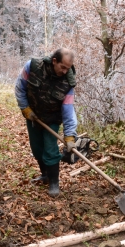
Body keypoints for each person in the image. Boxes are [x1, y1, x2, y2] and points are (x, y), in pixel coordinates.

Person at [14, 48, 78, 197]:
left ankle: (54, 182)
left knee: (50, 149)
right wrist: (25, 108)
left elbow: (68, 110)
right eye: (63, 67)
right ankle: (45, 175)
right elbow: (20, 87)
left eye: (68, 68)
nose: (64, 71)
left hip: (52, 118)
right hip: (33, 115)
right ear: (54, 61)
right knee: (36, 148)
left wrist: (69, 135)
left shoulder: (68, 82)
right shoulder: (33, 66)